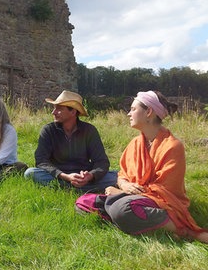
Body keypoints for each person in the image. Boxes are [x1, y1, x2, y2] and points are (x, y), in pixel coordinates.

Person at [76, 91, 208, 243]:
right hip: (132, 199)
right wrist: (124, 185)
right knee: (83, 203)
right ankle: (135, 220)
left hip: (161, 203)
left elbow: (164, 190)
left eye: (133, 109)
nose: (128, 114)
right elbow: (123, 174)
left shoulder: (173, 146)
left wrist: (120, 192)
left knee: (123, 209)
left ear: (149, 112)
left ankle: (184, 231)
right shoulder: (135, 143)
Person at [24, 90, 117, 192]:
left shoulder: (89, 130)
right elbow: (41, 160)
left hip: (83, 175)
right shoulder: (48, 130)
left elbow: (101, 161)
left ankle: (66, 187)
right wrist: (65, 176)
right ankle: (78, 187)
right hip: (59, 175)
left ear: (73, 112)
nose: (53, 112)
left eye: (59, 109)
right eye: (54, 108)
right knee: (30, 173)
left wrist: (90, 176)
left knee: (118, 176)